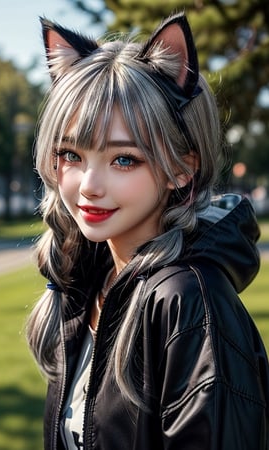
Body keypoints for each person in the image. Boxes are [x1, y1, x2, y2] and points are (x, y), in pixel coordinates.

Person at [26, 12, 269, 450]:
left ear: (181, 168)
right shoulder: (86, 282)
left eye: (124, 160)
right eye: (71, 154)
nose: (88, 186)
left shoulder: (189, 300)